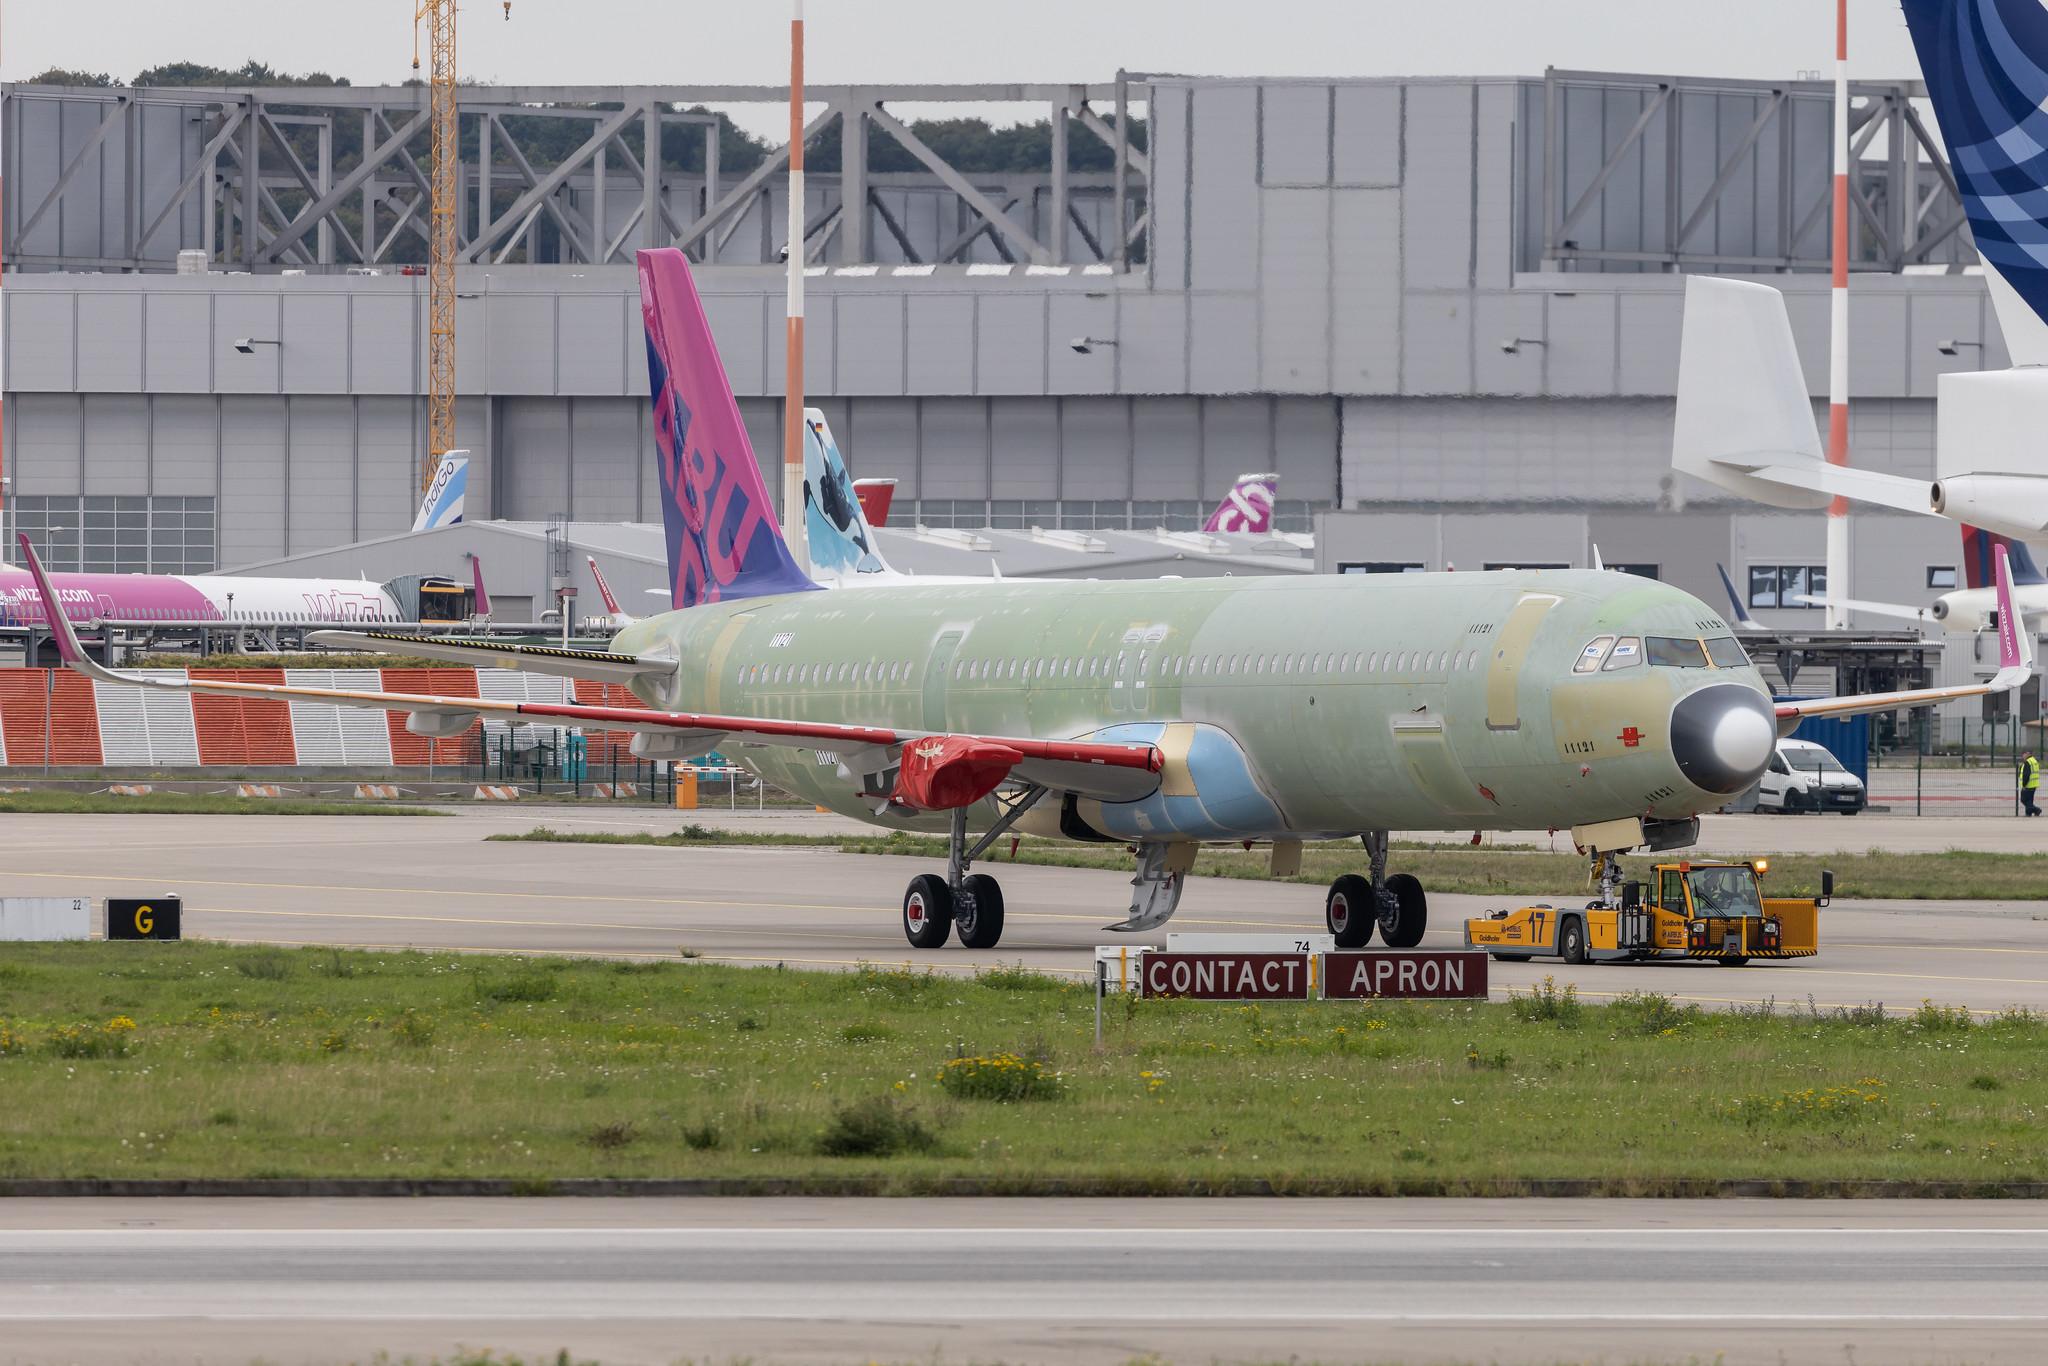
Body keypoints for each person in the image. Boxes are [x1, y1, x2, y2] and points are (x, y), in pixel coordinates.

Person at [2023, 751, 2041, 818]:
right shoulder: (2034, 761)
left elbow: (2026, 774)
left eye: (2024, 754)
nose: (2023, 755)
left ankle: (2037, 810)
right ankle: (2028, 813)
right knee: (2029, 800)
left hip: (2028, 784)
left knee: (2024, 799)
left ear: (2028, 754)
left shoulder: (2028, 762)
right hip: (2034, 784)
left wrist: (2024, 784)